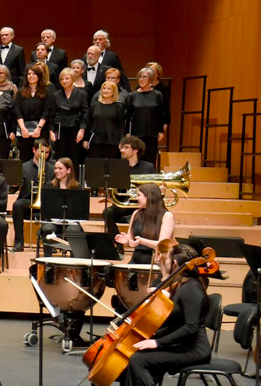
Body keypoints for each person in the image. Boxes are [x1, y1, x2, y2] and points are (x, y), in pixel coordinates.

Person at [118, 243, 211, 386]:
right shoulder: (180, 285)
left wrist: (157, 343)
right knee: (135, 355)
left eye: (167, 259)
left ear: (174, 263)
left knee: (139, 360)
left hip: (195, 350)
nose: (165, 261)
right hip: (184, 344)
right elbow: (176, 320)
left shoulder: (190, 289)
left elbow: (190, 328)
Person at [103, 136, 156, 243]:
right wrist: (111, 197)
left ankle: (142, 243)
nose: (122, 150)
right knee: (107, 212)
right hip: (124, 205)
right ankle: (117, 243)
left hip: (142, 206)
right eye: (122, 148)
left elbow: (152, 188)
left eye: (126, 147)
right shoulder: (118, 167)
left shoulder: (148, 167)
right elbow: (116, 189)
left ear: (136, 150)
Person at [114, 183, 175, 266]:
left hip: (155, 261)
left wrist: (141, 241)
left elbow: (162, 245)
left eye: (139, 195)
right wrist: (126, 241)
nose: (136, 198)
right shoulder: (136, 213)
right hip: (136, 259)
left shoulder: (167, 216)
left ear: (149, 197)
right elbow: (131, 241)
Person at [11, 139, 54, 252]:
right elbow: (12, 190)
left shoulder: (53, 169)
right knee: (17, 205)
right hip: (28, 200)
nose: (45, 155)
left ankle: (50, 243)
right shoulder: (24, 167)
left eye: (48, 153)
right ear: (34, 150)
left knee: (52, 207)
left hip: (46, 202)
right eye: (42, 152)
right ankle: (19, 242)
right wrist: (14, 184)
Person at [38, 157, 85, 257]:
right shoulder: (49, 186)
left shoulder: (77, 187)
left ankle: (74, 263)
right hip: (54, 222)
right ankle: (48, 261)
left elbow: (79, 211)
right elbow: (46, 209)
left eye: (60, 168)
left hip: (71, 222)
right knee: (47, 229)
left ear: (68, 170)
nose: (57, 171)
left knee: (73, 230)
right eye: (55, 168)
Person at [126, 67, 168, 165]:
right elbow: (128, 116)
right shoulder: (132, 96)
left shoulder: (157, 95)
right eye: (140, 77)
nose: (141, 79)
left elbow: (161, 114)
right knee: (137, 159)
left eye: (144, 77)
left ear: (151, 79)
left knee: (150, 159)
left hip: (151, 133)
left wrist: (160, 131)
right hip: (136, 133)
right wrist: (127, 132)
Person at [13, 65, 53, 162]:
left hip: (40, 130)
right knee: (25, 157)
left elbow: (46, 111)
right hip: (24, 131)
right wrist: (23, 128)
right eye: (29, 74)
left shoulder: (46, 92)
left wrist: (38, 128)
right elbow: (17, 111)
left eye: (34, 74)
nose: (31, 76)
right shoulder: (20, 92)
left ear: (39, 76)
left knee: (41, 157)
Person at [50, 68, 90, 162]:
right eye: (62, 79)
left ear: (73, 79)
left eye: (67, 78)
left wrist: (82, 130)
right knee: (61, 156)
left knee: (74, 156)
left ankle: (73, 177)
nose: (64, 81)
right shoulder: (56, 95)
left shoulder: (81, 94)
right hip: (60, 128)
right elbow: (51, 114)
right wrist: (51, 131)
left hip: (75, 128)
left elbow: (85, 113)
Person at [87, 82, 127, 159]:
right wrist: (86, 139)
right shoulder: (94, 105)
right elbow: (89, 123)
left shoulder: (119, 106)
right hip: (96, 141)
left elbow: (121, 126)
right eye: (104, 88)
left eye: (109, 89)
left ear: (113, 91)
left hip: (113, 141)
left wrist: (122, 141)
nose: (106, 91)